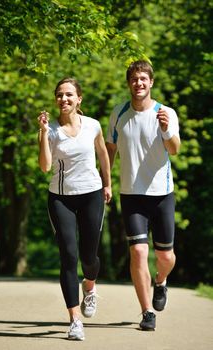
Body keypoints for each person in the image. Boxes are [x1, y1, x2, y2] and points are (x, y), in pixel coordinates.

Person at [106, 60, 180, 331]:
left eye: (143, 79)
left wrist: (166, 130)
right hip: (131, 195)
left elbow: (174, 149)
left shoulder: (166, 112)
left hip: (162, 194)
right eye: (134, 79)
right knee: (138, 252)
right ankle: (147, 311)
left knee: (166, 257)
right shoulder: (119, 113)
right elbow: (109, 149)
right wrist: (105, 181)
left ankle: (161, 281)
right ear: (129, 83)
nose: (139, 83)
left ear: (151, 82)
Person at [37, 77, 111, 341]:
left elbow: (102, 153)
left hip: (91, 194)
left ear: (79, 99)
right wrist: (43, 133)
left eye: (69, 95)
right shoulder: (51, 129)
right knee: (69, 256)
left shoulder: (93, 125)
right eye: (59, 95)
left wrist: (107, 184)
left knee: (89, 257)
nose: (64, 99)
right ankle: (75, 320)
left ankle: (89, 288)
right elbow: (45, 166)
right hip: (61, 198)